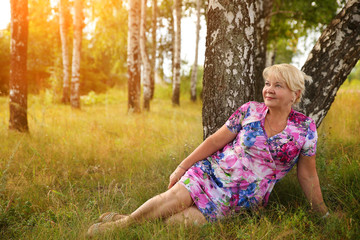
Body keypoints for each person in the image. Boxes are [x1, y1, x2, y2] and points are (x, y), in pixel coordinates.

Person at [87, 64, 329, 237]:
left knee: (177, 225)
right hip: (211, 172)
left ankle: (128, 219)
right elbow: (214, 141)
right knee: (173, 198)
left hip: (238, 198)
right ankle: (123, 226)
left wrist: (322, 214)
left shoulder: (305, 129)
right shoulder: (250, 111)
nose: (269, 89)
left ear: (295, 94)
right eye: (267, 84)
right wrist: (182, 166)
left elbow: (307, 175)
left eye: (278, 85)